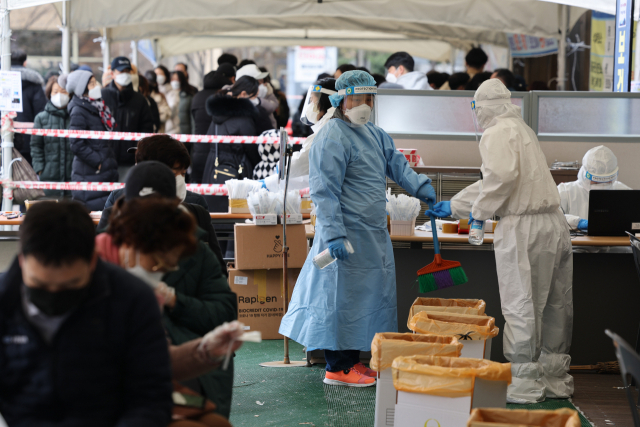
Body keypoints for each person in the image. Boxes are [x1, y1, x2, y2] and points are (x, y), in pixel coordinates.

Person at [279, 71, 436, 387]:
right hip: (342, 234)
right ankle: (336, 367)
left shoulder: (375, 134)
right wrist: (334, 234)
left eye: (369, 98)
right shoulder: (331, 136)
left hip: (371, 235)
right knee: (338, 298)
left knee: (362, 301)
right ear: (340, 99)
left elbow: (398, 167)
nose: (364, 104)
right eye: (357, 98)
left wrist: (424, 189)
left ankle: (352, 362)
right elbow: (324, 191)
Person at [426, 79, 573, 404]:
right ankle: (554, 379)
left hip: (524, 228)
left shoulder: (495, 132)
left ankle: (524, 383)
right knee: (555, 306)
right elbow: (502, 180)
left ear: (483, 106)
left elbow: (500, 180)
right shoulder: (521, 128)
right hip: (554, 222)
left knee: (522, 304)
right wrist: (457, 204)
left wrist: (472, 211)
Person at [0, 201, 173, 425]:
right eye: (39, 284)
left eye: (69, 285)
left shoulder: (132, 300)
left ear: (93, 260)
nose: (53, 295)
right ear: (22, 260)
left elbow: (151, 398)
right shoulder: (4, 301)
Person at [96, 163, 237, 418]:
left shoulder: (194, 250)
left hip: (162, 371)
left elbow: (223, 310)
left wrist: (176, 302)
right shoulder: (98, 259)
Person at [262, 78, 336, 192]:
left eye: (312, 100)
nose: (310, 105)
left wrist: (280, 169)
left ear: (324, 101)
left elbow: (303, 161)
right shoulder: (331, 124)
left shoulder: (327, 129)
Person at [202, 76, 261, 213]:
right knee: (237, 211)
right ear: (244, 95)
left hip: (213, 167)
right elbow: (251, 148)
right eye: (254, 96)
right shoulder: (245, 119)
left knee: (215, 211)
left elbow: (208, 141)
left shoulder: (216, 116)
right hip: (239, 168)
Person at [66, 69, 119, 210]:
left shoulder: (98, 107)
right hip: (90, 172)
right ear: (81, 88)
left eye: (95, 82)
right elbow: (76, 144)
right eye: (91, 84)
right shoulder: (79, 110)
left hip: (104, 170)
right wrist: (98, 161)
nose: (97, 86)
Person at [558, 145, 632, 235]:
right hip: (577, 247)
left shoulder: (624, 191)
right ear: (585, 175)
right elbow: (553, 218)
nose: (602, 186)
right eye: (596, 182)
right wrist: (577, 222)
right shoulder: (565, 191)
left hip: (617, 247)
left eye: (607, 181)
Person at [101, 56, 155, 168]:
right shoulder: (102, 96)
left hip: (130, 161)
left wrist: (137, 152)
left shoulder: (139, 100)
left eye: (127, 71)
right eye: (121, 71)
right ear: (113, 74)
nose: (124, 74)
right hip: (105, 158)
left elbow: (146, 128)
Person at [30, 75, 72, 198]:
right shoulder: (41, 118)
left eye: (63, 91)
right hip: (49, 175)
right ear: (49, 93)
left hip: (73, 176)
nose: (60, 95)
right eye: (56, 91)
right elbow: (36, 145)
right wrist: (39, 168)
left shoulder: (76, 116)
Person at [191, 71, 232, 183]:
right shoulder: (221, 97)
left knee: (198, 186)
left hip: (198, 147)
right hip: (217, 149)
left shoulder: (197, 97)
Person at [12, 49, 47, 165]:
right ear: (24, 62)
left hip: (5, 135)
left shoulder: (4, 82)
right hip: (29, 139)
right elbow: (41, 112)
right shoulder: (34, 83)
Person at [236, 64, 277, 129]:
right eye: (258, 82)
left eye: (262, 81)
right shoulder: (233, 95)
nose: (262, 85)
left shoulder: (267, 90)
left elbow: (273, 105)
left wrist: (258, 100)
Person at [171, 71, 198, 135]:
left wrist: (193, 137)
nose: (175, 81)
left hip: (184, 134)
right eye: (173, 79)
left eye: (177, 79)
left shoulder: (188, 97)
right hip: (170, 133)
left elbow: (193, 120)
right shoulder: (166, 96)